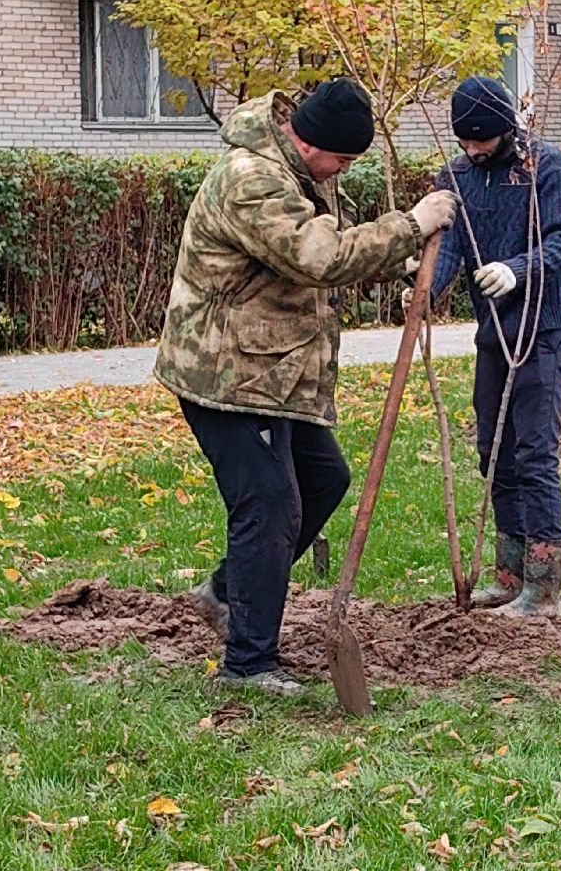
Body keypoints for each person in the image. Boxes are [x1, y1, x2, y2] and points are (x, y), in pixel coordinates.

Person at [154, 78, 461, 697]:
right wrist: (409, 226)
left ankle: (227, 592)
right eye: (342, 159)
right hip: (225, 374)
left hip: (271, 372)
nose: (343, 171)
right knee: (269, 504)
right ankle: (248, 664)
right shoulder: (252, 180)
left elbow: (319, 257)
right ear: (309, 142)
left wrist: (392, 260)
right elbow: (316, 256)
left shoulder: (300, 173)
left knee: (323, 480)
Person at [415, 76, 561, 617]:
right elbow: (450, 246)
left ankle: (543, 588)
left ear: (506, 129)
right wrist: (425, 287)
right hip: (493, 337)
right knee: (495, 453)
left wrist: (516, 270)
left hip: (544, 332)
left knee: (534, 454)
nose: (472, 150)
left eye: (481, 140)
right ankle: (509, 577)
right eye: (464, 141)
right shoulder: (457, 177)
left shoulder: (546, 167)